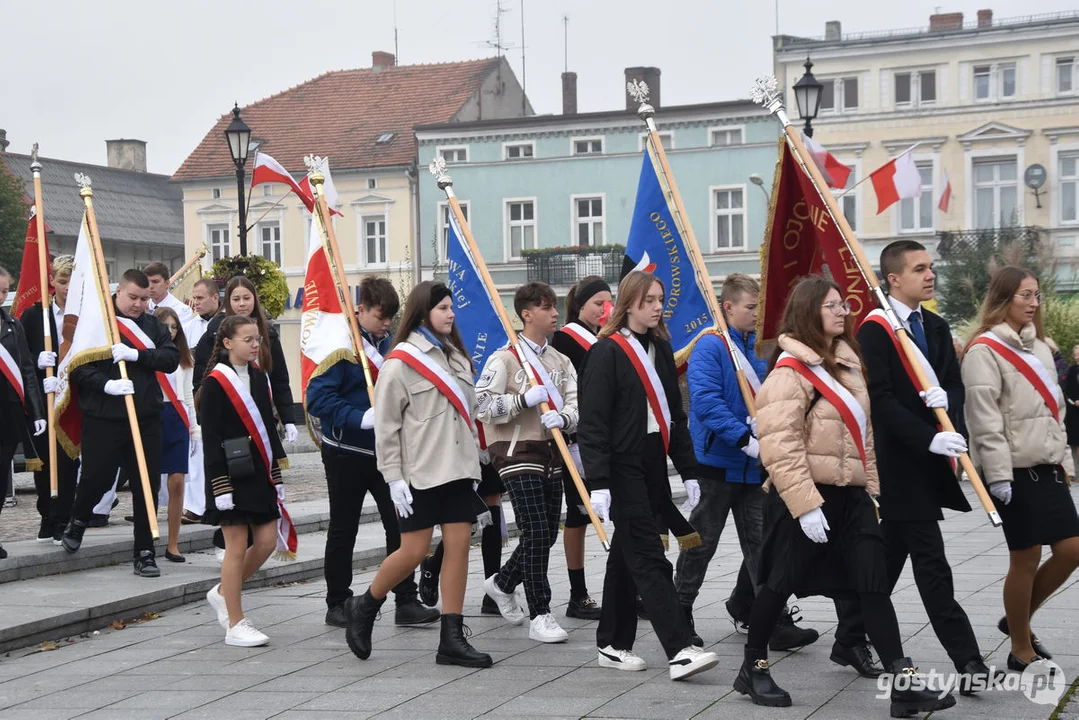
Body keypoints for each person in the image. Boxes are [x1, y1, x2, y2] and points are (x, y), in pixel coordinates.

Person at [734, 277, 954, 716]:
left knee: (873, 586)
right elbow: (781, 446)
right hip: (808, 499)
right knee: (779, 586)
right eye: (832, 305)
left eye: (843, 305)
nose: (843, 311)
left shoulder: (848, 365)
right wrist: (806, 506)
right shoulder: (788, 372)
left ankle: (903, 681)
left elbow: (863, 439)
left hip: (852, 498)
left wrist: (871, 490)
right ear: (809, 311)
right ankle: (753, 666)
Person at [853, 240, 994, 691]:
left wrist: (945, 401)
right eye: (919, 269)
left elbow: (952, 382)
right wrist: (929, 435)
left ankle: (850, 634)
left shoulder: (933, 324)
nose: (930, 275)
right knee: (932, 564)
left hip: (930, 462)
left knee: (890, 557)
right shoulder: (876, 330)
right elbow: (881, 400)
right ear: (894, 278)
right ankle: (968, 661)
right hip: (900, 464)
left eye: (931, 267)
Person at [578, 271, 719, 680]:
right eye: (649, 300)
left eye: (660, 299)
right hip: (621, 467)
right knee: (648, 556)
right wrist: (599, 483)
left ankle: (612, 643)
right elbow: (593, 423)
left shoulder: (660, 346)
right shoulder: (607, 352)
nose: (657, 306)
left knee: (627, 558)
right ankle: (679, 649)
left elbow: (674, 416)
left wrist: (688, 470)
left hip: (652, 461)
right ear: (628, 303)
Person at [344, 281, 491, 668]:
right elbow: (387, 427)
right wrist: (392, 477)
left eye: (451, 307)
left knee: (459, 545)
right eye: (443, 308)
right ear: (424, 312)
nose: (450, 314)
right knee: (412, 551)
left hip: (457, 469)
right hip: (418, 474)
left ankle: (452, 637)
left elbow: (469, 412)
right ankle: (365, 605)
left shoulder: (457, 357)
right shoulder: (400, 363)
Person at [674, 274, 818, 652]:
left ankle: (771, 620)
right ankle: (680, 612)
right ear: (728, 307)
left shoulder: (762, 347)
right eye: (751, 307)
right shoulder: (709, 346)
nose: (757, 314)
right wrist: (743, 438)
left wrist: (766, 426)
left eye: (759, 307)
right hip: (716, 464)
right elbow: (706, 402)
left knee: (762, 546)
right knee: (700, 545)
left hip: (755, 468)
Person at [962, 266, 1079, 671]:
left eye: (1036, 296)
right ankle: (1020, 648)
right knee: (1025, 558)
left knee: (1072, 551)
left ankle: (1017, 622)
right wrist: (996, 476)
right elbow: (983, 418)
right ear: (1003, 298)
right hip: (1013, 472)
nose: (1033, 303)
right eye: (1024, 296)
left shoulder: (1042, 349)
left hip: (1047, 470)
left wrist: (1064, 460)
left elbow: (1056, 412)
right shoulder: (983, 350)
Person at [306, 276, 439, 628]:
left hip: (387, 453)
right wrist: (358, 417)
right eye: (380, 316)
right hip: (346, 450)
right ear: (360, 309)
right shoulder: (341, 347)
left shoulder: (387, 345)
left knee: (402, 527)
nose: (385, 324)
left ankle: (405, 599)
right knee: (343, 528)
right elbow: (318, 399)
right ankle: (337, 601)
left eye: (389, 318)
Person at [476, 281, 579, 643]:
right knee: (535, 530)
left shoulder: (561, 361)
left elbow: (574, 403)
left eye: (555, 307)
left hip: (552, 451)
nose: (555, 314)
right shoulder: (504, 358)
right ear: (526, 314)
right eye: (547, 307)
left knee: (547, 533)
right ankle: (541, 613)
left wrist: (565, 420)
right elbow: (482, 405)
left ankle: (503, 582)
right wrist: (521, 400)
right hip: (515, 452)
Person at [62, 269, 179, 579]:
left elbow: (170, 358)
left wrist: (138, 355)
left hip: (145, 416)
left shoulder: (152, 325)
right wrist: (107, 385)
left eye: (144, 299)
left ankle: (144, 551)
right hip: (104, 416)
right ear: (118, 292)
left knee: (146, 484)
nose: (139, 305)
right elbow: (80, 368)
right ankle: (78, 519)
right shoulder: (98, 323)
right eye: (133, 298)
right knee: (96, 478)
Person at [199, 315, 287, 647]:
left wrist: (276, 473)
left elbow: (268, 428)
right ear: (227, 343)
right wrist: (219, 486)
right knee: (235, 546)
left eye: (258, 339)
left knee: (265, 541)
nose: (255, 345)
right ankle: (235, 623)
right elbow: (211, 438)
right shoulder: (215, 383)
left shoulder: (259, 377)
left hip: (259, 472)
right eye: (248, 340)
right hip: (230, 476)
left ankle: (224, 592)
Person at [549, 275, 609, 621]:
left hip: (601, 438)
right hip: (575, 440)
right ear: (580, 305)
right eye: (598, 303)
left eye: (608, 302)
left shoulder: (605, 338)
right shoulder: (566, 340)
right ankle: (578, 593)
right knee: (578, 515)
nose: (605, 308)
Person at [193, 276, 297, 444]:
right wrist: (205, 419)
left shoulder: (268, 333)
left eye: (247, 298)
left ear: (254, 300)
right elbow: (201, 378)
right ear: (228, 301)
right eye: (236, 299)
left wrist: (288, 419)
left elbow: (279, 379)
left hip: (264, 414)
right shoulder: (213, 334)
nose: (242, 304)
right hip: (230, 415)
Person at [20, 255, 78, 544]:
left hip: (74, 396)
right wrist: (36, 359)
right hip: (43, 400)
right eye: (63, 281)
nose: (67, 287)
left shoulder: (85, 315)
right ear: (52, 282)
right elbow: (17, 357)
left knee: (69, 461)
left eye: (72, 281)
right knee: (43, 461)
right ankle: (47, 515)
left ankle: (64, 517)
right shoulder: (35, 315)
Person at [0, 266, 47, 558]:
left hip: (7, 414)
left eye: (5, 291)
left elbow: (27, 370)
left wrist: (37, 410)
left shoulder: (12, 325)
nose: (2, 296)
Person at [153, 306, 196, 563]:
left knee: (177, 481)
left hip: (177, 417)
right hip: (154, 415)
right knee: (150, 482)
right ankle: (147, 537)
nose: (170, 330)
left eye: (174, 326)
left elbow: (188, 394)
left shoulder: (183, 356)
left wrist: (194, 428)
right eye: (166, 326)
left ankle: (173, 543)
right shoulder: (150, 354)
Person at [181, 278, 220, 524]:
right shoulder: (187, 325)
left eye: (201, 297)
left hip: (216, 392)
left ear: (215, 298)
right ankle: (195, 506)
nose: (196, 302)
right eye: (194, 297)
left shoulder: (222, 325)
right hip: (192, 392)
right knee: (196, 453)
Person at [144, 261, 194, 326]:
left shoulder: (182, 311)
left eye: (155, 282)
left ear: (167, 283)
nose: (150, 286)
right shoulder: (142, 308)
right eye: (147, 282)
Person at [1064, 345, 1079, 470]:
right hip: (1074, 410)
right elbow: (1067, 391)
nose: (1077, 357)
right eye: (1076, 355)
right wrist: (1074, 402)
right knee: (1075, 441)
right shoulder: (1072, 370)